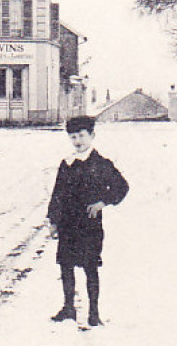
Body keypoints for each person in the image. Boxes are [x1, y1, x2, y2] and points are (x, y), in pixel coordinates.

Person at [46, 115, 129, 327]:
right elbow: (57, 194)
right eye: (73, 137)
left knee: (90, 267)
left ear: (92, 135)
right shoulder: (67, 163)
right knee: (66, 265)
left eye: (82, 135)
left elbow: (122, 187)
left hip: (90, 225)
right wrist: (53, 220)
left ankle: (94, 312)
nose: (77, 141)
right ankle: (68, 308)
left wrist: (103, 202)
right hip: (67, 225)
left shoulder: (101, 163)